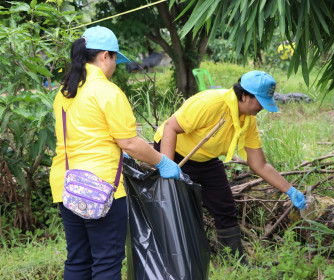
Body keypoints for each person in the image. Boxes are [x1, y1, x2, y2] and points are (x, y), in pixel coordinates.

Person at [49, 26, 181, 280]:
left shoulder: (65, 92)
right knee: (107, 261)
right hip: (101, 189)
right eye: (114, 60)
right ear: (105, 56)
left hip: (67, 186)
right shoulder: (107, 91)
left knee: (78, 258)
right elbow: (129, 142)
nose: (114, 67)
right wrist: (162, 161)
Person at [153, 70, 306, 267]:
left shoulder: (247, 119)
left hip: (206, 159)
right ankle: (181, 261)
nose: (262, 107)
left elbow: (259, 163)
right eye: (259, 101)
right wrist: (168, 166)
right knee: (180, 206)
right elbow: (171, 127)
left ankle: (235, 261)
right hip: (175, 153)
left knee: (224, 205)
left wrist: (290, 190)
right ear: (244, 96)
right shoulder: (211, 103)